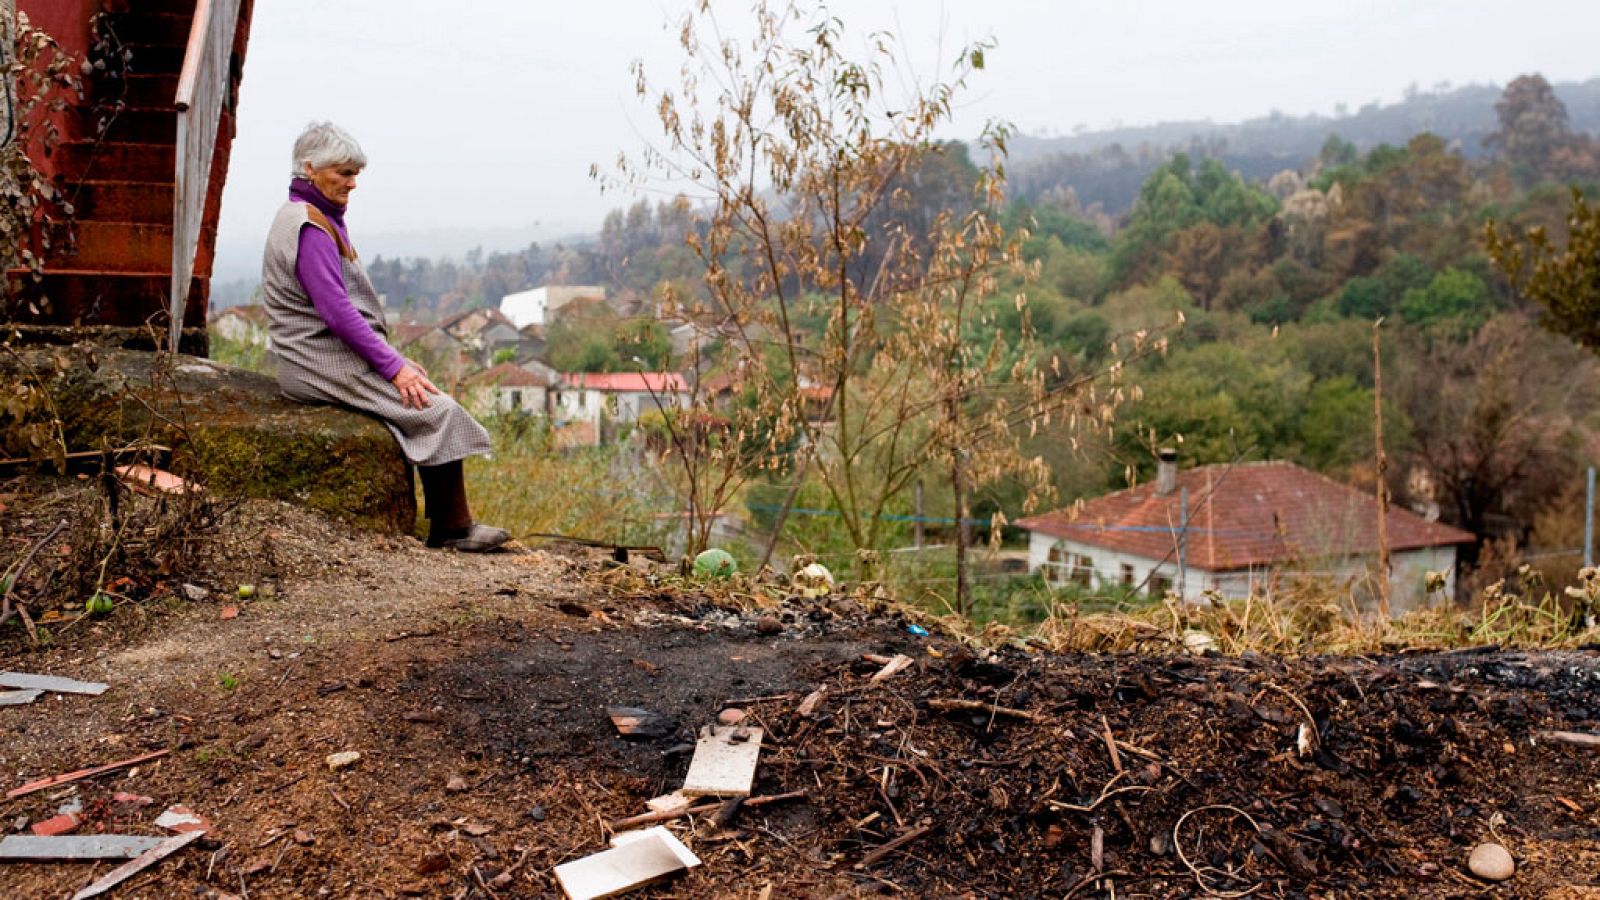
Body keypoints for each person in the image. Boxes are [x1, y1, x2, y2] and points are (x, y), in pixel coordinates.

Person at [260, 122, 509, 552]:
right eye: (343, 172)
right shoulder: (310, 227)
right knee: (437, 408)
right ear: (309, 169)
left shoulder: (310, 216)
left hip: (312, 355)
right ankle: (453, 530)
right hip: (315, 360)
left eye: (355, 173)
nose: (353, 183)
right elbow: (337, 313)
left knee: (424, 397)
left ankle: (452, 525)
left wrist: (396, 360)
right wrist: (394, 368)